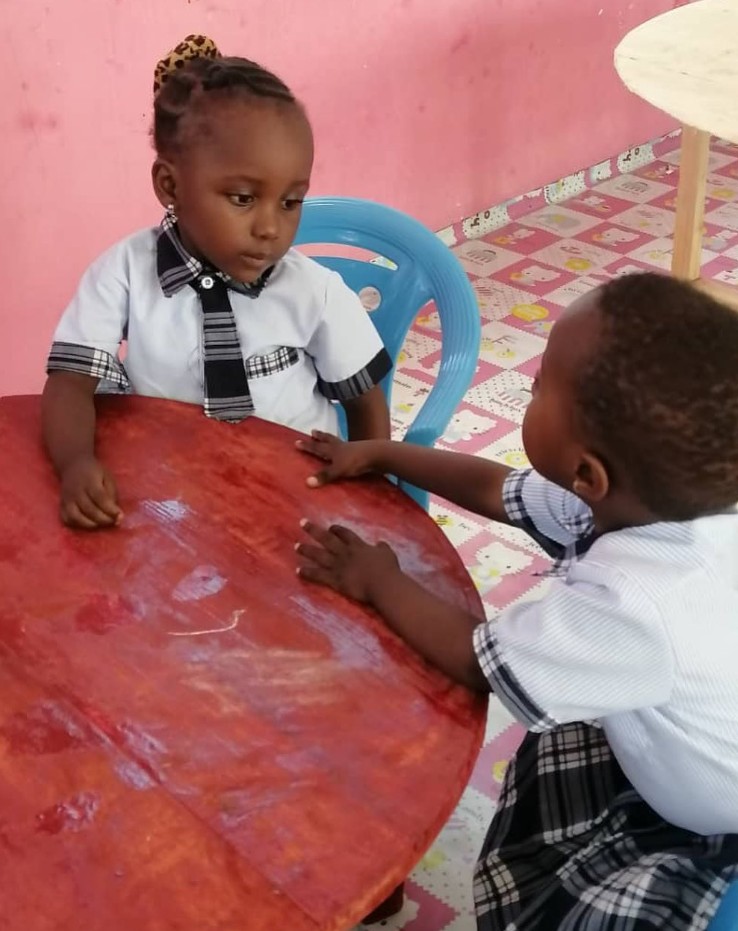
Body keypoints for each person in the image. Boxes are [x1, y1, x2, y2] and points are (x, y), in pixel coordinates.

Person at [295, 271, 738, 931]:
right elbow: (495, 489)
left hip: (711, 831)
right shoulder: (659, 500)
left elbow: (478, 659)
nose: (529, 382)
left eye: (539, 384)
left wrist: (379, 580)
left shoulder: (634, 601)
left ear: (588, 473)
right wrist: (382, 453)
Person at [42, 35, 391, 531]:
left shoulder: (315, 290)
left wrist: (369, 503)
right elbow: (69, 384)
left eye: (290, 202)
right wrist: (76, 463)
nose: (270, 228)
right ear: (170, 185)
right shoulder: (124, 272)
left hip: (295, 501)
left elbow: (365, 404)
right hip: (168, 498)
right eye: (244, 198)